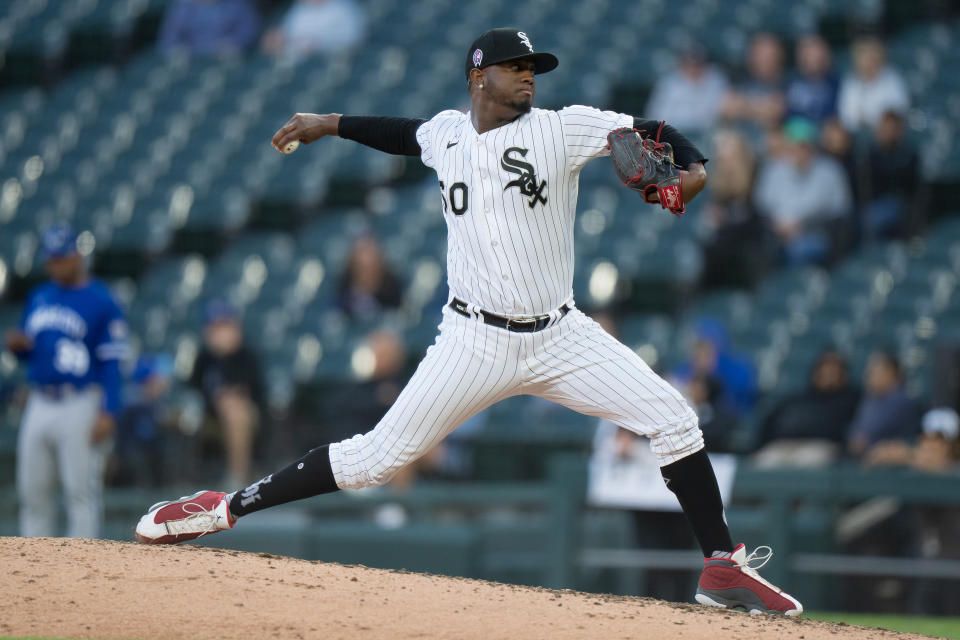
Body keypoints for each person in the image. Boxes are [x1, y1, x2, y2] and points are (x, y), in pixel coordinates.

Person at [136, 27, 801, 615]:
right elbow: (400, 133)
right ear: (479, 77)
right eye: (518, 68)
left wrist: (689, 176)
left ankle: (720, 564)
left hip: (559, 335)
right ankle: (224, 506)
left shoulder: (558, 128)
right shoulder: (446, 133)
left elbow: (649, 132)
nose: (529, 77)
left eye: (534, 69)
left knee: (674, 418)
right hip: (472, 340)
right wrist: (328, 121)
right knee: (374, 459)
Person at [6, 225, 129, 538]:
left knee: (80, 492)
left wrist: (108, 410)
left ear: (77, 257)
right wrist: (18, 349)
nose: (56, 265)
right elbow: (33, 352)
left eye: (62, 258)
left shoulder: (102, 301)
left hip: (79, 400)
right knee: (32, 492)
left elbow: (111, 362)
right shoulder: (40, 296)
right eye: (52, 259)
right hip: (39, 401)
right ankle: (34, 568)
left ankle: (84, 574)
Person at [753, 117, 853, 264]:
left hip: (816, 234)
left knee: (800, 250)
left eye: (803, 146)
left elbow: (841, 215)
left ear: (813, 147)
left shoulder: (831, 171)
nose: (798, 152)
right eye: (793, 146)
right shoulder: (773, 170)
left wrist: (803, 225)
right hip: (776, 235)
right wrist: (777, 227)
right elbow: (761, 210)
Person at [189, 299, 266, 487]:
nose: (219, 333)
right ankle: (178, 481)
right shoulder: (204, 357)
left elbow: (256, 391)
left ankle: (237, 478)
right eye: (214, 327)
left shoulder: (247, 355)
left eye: (224, 326)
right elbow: (193, 387)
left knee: (236, 414)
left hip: (247, 415)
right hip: (209, 414)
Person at [753, 349, 861, 468]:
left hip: (821, 446)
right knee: (765, 462)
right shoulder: (798, 397)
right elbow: (769, 422)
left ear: (843, 373)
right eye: (825, 368)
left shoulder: (851, 399)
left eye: (834, 369)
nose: (828, 373)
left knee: (808, 461)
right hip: (783, 445)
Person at [110, 354, 175, 488]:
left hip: (146, 461)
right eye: (157, 379)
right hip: (128, 461)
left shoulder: (156, 402)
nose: (163, 384)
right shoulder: (134, 402)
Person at [848, 350, 923, 464]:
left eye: (875, 372)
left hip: (896, 457)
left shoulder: (901, 399)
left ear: (892, 373)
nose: (869, 377)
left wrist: (861, 439)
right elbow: (857, 424)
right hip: (870, 454)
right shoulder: (870, 399)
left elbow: (877, 428)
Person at [671, 319, 756, 417]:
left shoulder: (738, 369)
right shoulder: (689, 365)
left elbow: (732, 404)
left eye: (703, 345)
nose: (699, 352)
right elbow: (675, 382)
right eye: (697, 346)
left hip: (726, 421)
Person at [643, 42, 728, 135]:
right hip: (676, 136)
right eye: (689, 63)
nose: (693, 68)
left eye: (698, 63)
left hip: (709, 134)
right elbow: (656, 116)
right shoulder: (668, 84)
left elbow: (724, 110)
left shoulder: (715, 78)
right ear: (681, 63)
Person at [859, 110, 919, 241]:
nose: (888, 132)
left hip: (898, 204)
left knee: (873, 219)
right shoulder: (870, 155)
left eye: (892, 128)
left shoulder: (907, 155)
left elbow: (911, 191)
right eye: (885, 127)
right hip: (872, 205)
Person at [837, 37, 909, 133]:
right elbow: (846, 116)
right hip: (856, 136)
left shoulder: (892, 79)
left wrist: (868, 118)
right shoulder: (851, 82)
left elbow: (898, 110)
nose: (865, 62)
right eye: (862, 57)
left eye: (869, 57)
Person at [720, 32, 786, 129]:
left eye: (769, 56)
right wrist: (762, 108)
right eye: (760, 55)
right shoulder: (740, 78)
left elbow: (775, 113)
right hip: (742, 132)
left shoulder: (784, 81)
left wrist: (744, 106)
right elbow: (728, 109)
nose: (764, 60)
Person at [261, 0, 366, 60]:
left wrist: (320, 43)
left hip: (336, 59)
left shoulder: (341, 7)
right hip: (302, 62)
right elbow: (287, 38)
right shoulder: (300, 10)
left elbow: (353, 37)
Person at [158, 0, 261, 56]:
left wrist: (233, 44)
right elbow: (168, 41)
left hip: (227, 61)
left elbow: (249, 33)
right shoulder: (183, 7)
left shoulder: (237, 4)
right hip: (192, 62)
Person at [336, 234, 403, 320]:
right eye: (362, 268)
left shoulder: (393, 295)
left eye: (373, 268)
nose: (368, 275)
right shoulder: (343, 301)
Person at [785, 34, 840, 125]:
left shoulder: (836, 83)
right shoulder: (789, 82)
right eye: (808, 54)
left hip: (824, 129)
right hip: (794, 131)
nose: (813, 58)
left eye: (817, 54)